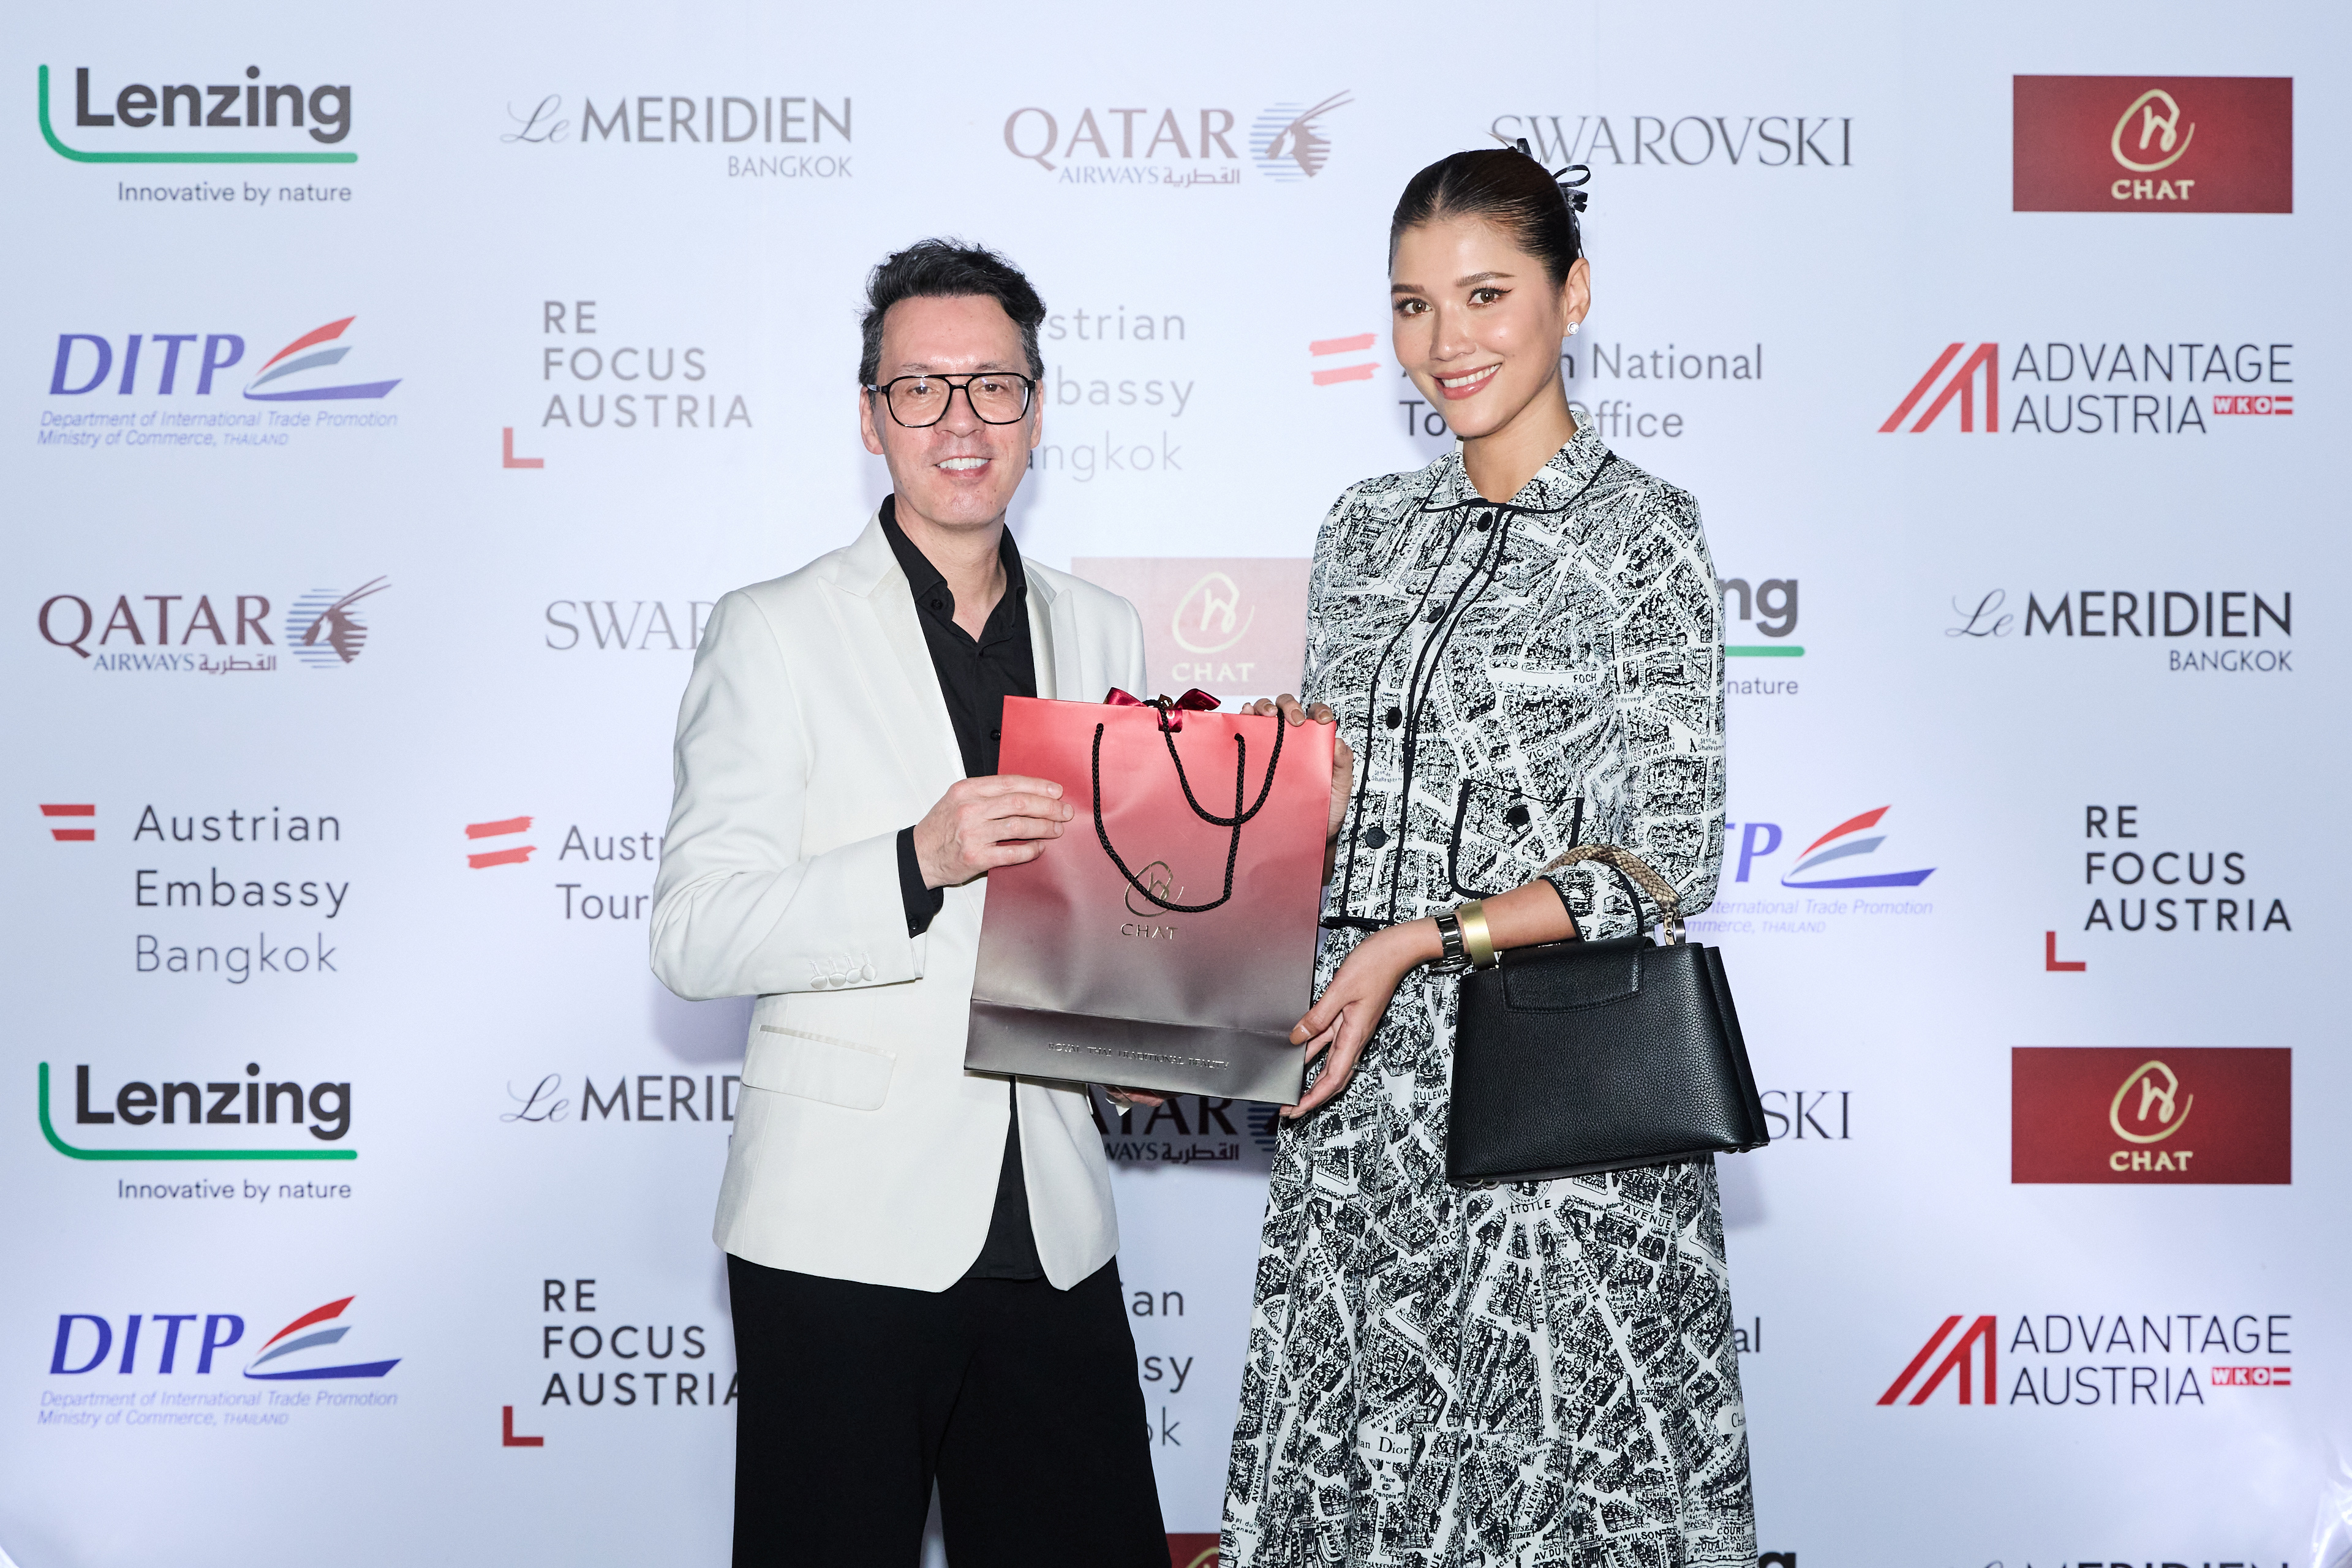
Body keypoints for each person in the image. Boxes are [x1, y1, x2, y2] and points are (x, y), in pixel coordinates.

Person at [1221, 148, 1754, 1565]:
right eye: (1413, 305)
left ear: (1572, 296)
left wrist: (1424, 937)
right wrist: (1279, 779)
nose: (1444, 341)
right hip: (1359, 1112)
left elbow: (1665, 858)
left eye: (1484, 295)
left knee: (1538, 1500)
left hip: (1549, 1132)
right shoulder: (1364, 531)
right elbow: (1342, 812)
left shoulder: (1644, 534)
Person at [650, 238, 1167, 1568]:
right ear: (870, 417)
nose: (960, 420)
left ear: (1036, 412)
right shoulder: (773, 629)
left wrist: (1158, 1035)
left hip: (1051, 1229)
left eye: (993, 385)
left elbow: (1113, 920)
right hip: (840, 1232)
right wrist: (913, 859)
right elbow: (695, 930)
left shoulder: (1105, 630)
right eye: (920, 389)